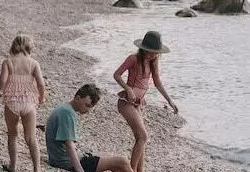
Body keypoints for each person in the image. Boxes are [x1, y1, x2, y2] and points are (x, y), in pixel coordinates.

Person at [113, 31, 178, 172]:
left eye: (156, 53)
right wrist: (128, 89)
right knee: (143, 136)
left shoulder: (153, 62)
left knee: (140, 139)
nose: (154, 55)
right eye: (151, 52)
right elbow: (116, 75)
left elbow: (158, 83)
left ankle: (139, 170)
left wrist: (170, 101)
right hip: (126, 102)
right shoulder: (133, 58)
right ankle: (130, 169)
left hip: (139, 104)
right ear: (143, 48)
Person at [0, 34, 47, 172]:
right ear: (30, 46)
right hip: (28, 103)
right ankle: (37, 168)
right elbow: (41, 83)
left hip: (11, 103)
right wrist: (41, 98)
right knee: (31, 138)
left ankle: (13, 166)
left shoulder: (8, 62)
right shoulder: (34, 63)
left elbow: (2, 81)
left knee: (12, 135)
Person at [45, 84, 132, 172]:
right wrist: (79, 169)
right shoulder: (67, 113)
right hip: (65, 162)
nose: (88, 110)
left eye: (90, 107)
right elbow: (69, 145)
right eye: (87, 105)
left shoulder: (65, 109)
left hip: (58, 159)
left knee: (110, 157)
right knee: (122, 161)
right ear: (78, 98)